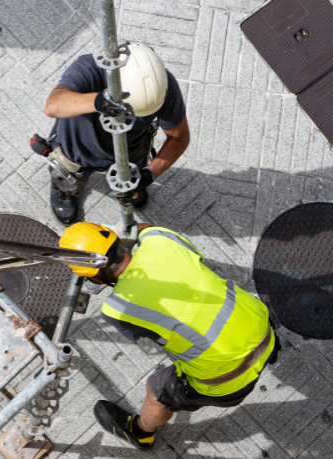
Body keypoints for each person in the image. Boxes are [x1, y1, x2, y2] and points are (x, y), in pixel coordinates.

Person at [58, 222, 278, 449]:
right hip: (262, 329)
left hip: (229, 379)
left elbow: (139, 335)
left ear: (94, 278)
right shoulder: (160, 240)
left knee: (157, 389)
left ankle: (141, 433)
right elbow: (143, 227)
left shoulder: (117, 309)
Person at [43, 44, 190, 224]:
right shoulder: (90, 68)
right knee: (68, 173)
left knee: (133, 182)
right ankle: (66, 187)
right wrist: (97, 101)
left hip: (130, 152)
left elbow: (179, 137)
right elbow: (52, 105)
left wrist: (148, 175)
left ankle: (132, 183)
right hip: (77, 147)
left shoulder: (163, 87)